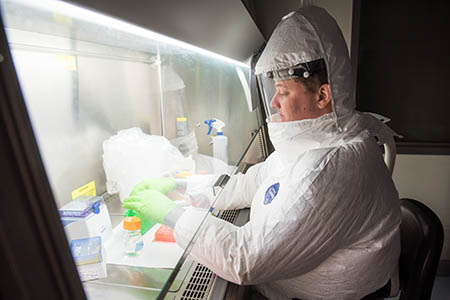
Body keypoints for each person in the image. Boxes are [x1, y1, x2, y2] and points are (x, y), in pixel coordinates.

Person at [123, 5, 401, 300]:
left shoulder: (332, 169)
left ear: (322, 96)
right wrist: (183, 187)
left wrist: (172, 214)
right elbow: (251, 182)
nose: (273, 104)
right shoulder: (314, 142)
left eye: (283, 92)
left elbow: (245, 261)